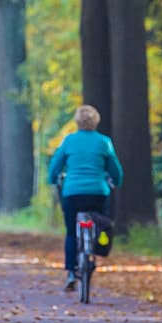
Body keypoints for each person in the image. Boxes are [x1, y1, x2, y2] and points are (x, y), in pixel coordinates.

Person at [46, 105, 123, 292]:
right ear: (96, 121)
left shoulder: (69, 141)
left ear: (77, 122)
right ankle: (98, 248)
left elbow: (55, 165)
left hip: (72, 193)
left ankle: (71, 272)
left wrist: (52, 178)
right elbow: (115, 170)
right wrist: (116, 181)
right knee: (103, 223)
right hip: (98, 192)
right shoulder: (104, 142)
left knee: (72, 232)